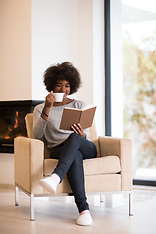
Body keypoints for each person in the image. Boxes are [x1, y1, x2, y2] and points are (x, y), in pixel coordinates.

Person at [32, 62, 97, 226]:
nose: (63, 89)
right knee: (74, 154)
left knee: (74, 138)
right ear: (51, 86)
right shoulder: (41, 108)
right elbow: (36, 136)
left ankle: (55, 177)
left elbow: (86, 136)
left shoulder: (78, 105)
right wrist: (48, 107)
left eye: (67, 85)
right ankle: (84, 211)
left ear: (72, 87)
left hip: (84, 145)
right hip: (59, 150)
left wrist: (81, 132)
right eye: (59, 85)